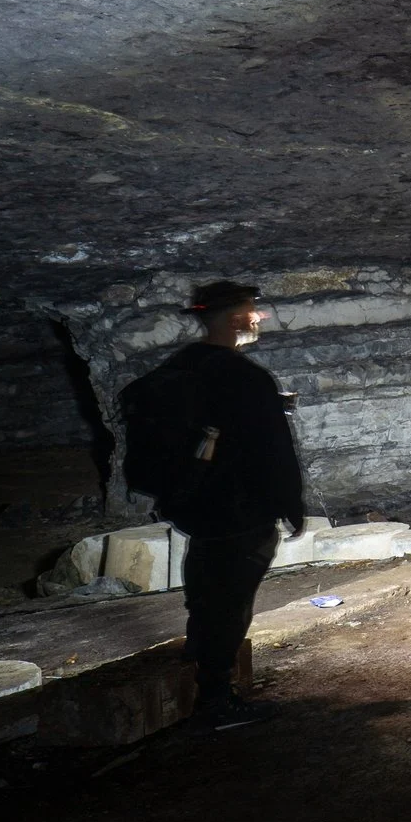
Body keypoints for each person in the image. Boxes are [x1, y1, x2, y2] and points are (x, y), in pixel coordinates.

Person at [154, 279, 306, 728]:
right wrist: (290, 504)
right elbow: (273, 450)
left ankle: (198, 665)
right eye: (252, 310)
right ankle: (215, 700)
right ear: (235, 318)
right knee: (232, 596)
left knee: (205, 584)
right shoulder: (246, 376)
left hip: (194, 507)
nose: (258, 317)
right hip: (240, 508)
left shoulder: (179, 367)